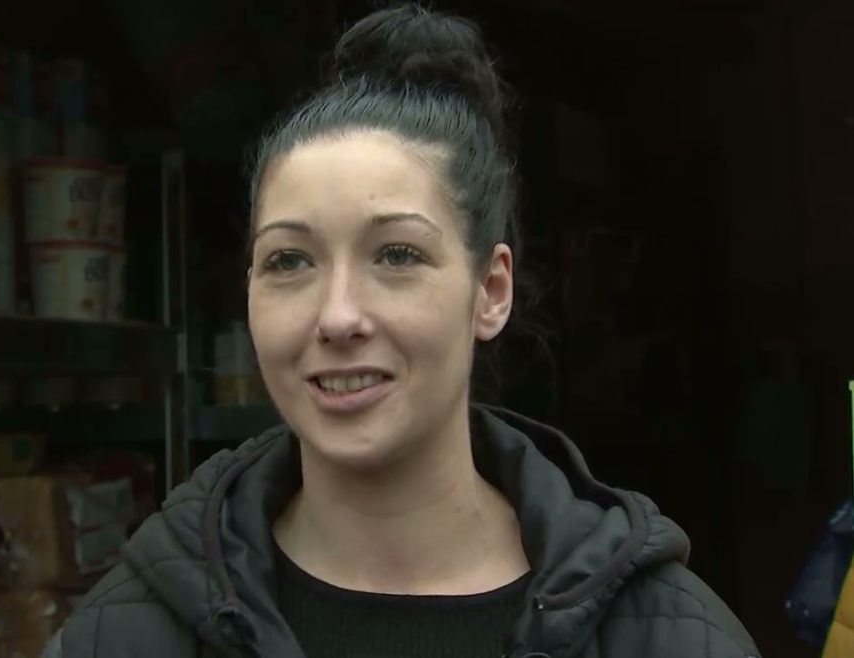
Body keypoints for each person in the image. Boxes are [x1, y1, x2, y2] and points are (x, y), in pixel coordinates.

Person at [44, 4, 759, 657]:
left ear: (491, 291)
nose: (339, 316)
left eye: (397, 255)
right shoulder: (134, 629)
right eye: (289, 260)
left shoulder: (663, 634)